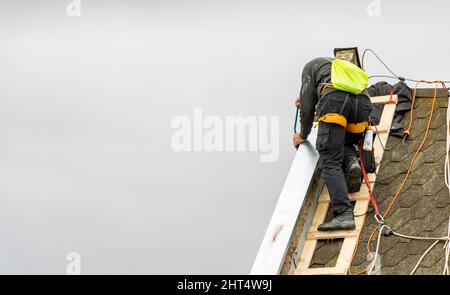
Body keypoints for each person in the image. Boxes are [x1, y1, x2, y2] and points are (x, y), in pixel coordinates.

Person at [293, 57, 373, 231]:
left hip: (335, 102)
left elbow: (307, 110)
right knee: (341, 141)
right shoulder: (340, 67)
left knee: (330, 159)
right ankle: (351, 161)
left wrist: (302, 135)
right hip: (363, 105)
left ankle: (343, 213)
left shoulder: (310, 66)